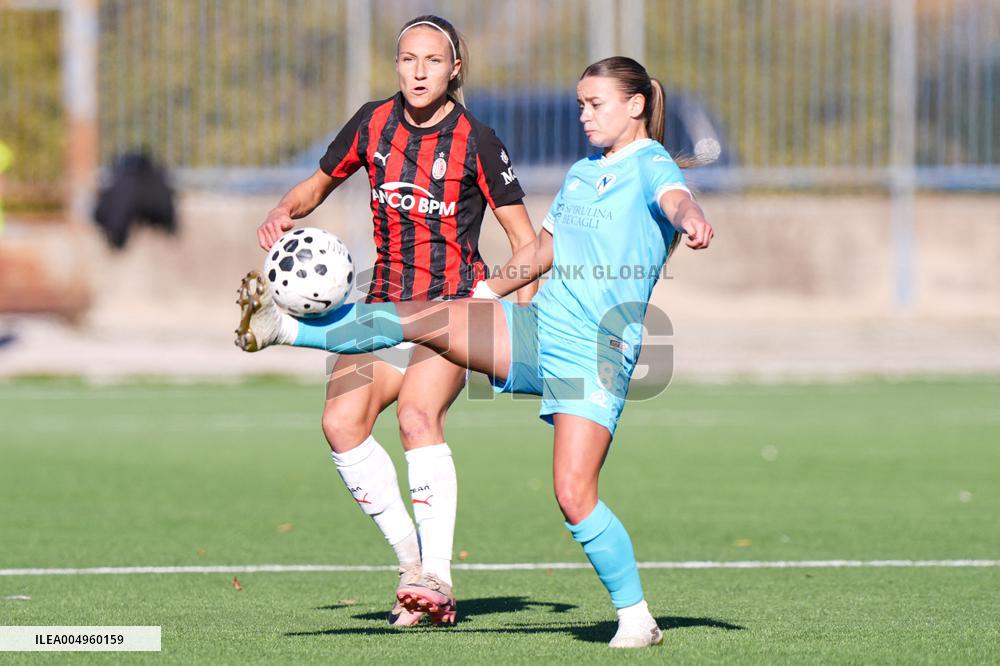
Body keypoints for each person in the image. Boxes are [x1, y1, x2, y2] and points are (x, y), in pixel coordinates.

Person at [236, 56, 714, 648]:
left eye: (595, 104)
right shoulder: (583, 171)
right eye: (580, 105)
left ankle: (636, 617)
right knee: (420, 320)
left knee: (573, 494)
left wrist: (692, 217)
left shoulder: (652, 164)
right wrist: (488, 293)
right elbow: (542, 248)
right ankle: (281, 329)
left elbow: (675, 200)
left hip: (596, 353)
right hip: (538, 329)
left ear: (635, 105)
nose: (584, 116)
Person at [252, 15, 537, 626]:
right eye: (408, 59)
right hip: (381, 308)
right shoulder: (372, 123)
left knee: (415, 415)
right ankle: (413, 569)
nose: (418, 72)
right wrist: (283, 209)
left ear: (454, 67)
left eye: (432, 61)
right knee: (340, 422)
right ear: (397, 64)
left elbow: (525, 242)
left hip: (449, 312)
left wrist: (510, 309)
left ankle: (440, 573)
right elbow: (316, 185)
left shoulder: (478, 140)